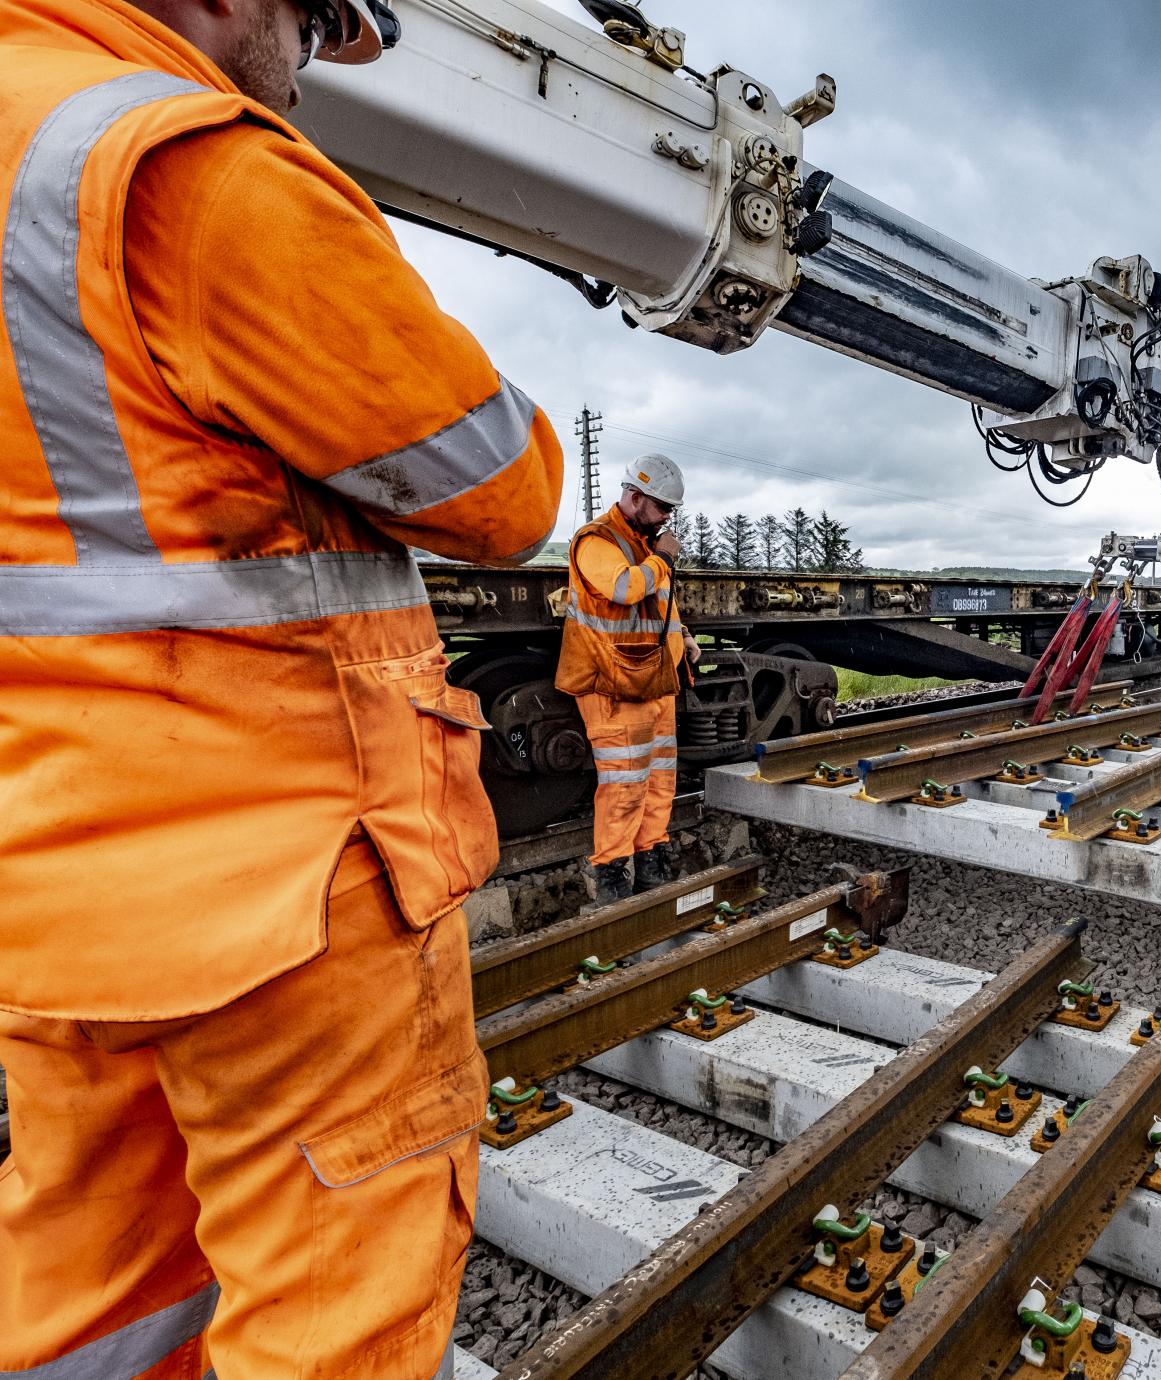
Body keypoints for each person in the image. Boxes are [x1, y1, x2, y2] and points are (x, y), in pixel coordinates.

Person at [0, 0, 565, 1372]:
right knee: (337, 1309)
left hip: (55, 885)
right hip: (283, 884)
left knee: (101, 1309)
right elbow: (501, 488)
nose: (301, 75)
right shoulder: (171, 160)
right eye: (307, 26)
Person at [558, 456, 703, 906]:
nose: (667, 517)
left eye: (671, 510)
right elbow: (625, 589)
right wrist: (663, 558)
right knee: (623, 784)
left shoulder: (644, 545)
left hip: (652, 681)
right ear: (634, 497)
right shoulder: (597, 541)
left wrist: (684, 637)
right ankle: (612, 874)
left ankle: (651, 857)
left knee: (659, 779)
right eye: (662, 507)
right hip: (613, 684)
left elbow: (656, 610)